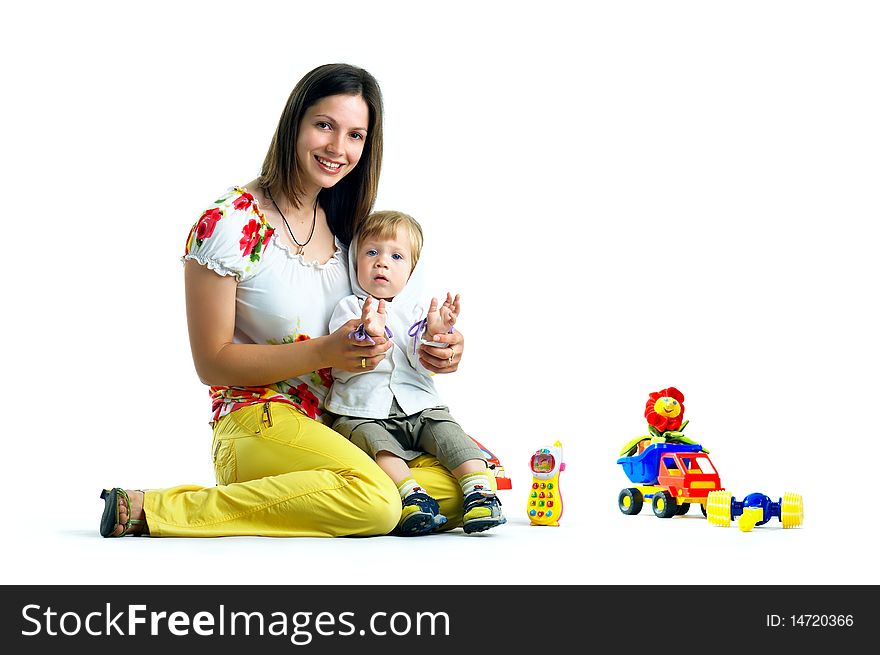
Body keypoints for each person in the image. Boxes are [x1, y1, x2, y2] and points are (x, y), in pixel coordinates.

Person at [99, 63, 467, 538]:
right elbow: (212, 364)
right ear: (294, 123)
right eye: (325, 126)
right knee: (379, 502)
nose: (339, 148)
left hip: (345, 423)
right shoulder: (229, 223)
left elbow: (398, 322)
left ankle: (313, 495)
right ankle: (156, 508)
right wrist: (325, 352)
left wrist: (437, 345)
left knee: (468, 483)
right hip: (256, 419)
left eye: (356, 135)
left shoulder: (348, 228)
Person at [326, 210, 506, 536]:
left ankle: (480, 491)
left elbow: (422, 361)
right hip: (363, 410)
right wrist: (369, 331)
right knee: (375, 444)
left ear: (412, 271)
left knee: (451, 433)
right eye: (371, 252)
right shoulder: (351, 308)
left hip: (419, 406)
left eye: (396, 256)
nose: (382, 263)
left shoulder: (417, 313)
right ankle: (412, 495)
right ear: (354, 261)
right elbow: (347, 347)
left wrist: (434, 336)